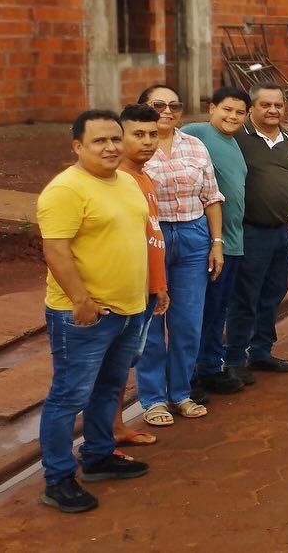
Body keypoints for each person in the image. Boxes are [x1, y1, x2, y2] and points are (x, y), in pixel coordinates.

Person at [37, 111, 151, 512]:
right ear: (77, 146)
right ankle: (57, 479)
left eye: (115, 140)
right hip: (85, 316)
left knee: (108, 388)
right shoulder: (65, 190)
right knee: (68, 396)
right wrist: (81, 300)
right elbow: (55, 249)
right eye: (99, 141)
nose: (111, 147)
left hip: (129, 309)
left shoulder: (125, 182)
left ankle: (99, 456)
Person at [137, 84, 224, 424]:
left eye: (174, 105)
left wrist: (216, 243)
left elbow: (212, 196)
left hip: (193, 235)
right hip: (151, 238)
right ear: (144, 107)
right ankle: (153, 399)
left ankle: (181, 393)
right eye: (158, 104)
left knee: (188, 322)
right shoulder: (136, 149)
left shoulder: (195, 145)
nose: (167, 111)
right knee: (151, 321)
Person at [226, 82, 288, 378]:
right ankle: (233, 359)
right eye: (265, 105)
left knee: (273, 293)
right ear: (252, 109)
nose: (273, 110)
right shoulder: (237, 139)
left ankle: (261, 351)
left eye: (278, 105)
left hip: (281, 232)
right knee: (245, 296)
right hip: (249, 231)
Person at [181, 87, 250, 396]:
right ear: (211, 108)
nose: (232, 116)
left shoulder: (234, 144)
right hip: (209, 242)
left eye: (239, 112)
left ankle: (210, 367)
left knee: (218, 309)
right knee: (201, 311)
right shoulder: (195, 133)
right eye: (227, 110)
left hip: (233, 242)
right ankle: (190, 376)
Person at [112, 104, 170, 448]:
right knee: (111, 367)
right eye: (138, 134)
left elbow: (153, 236)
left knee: (124, 364)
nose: (148, 142)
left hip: (146, 290)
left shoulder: (146, 177)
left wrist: (159, 286)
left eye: (153, 134)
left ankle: (114, 427)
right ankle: (106, 433)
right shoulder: (118, 179)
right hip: (122, 293)